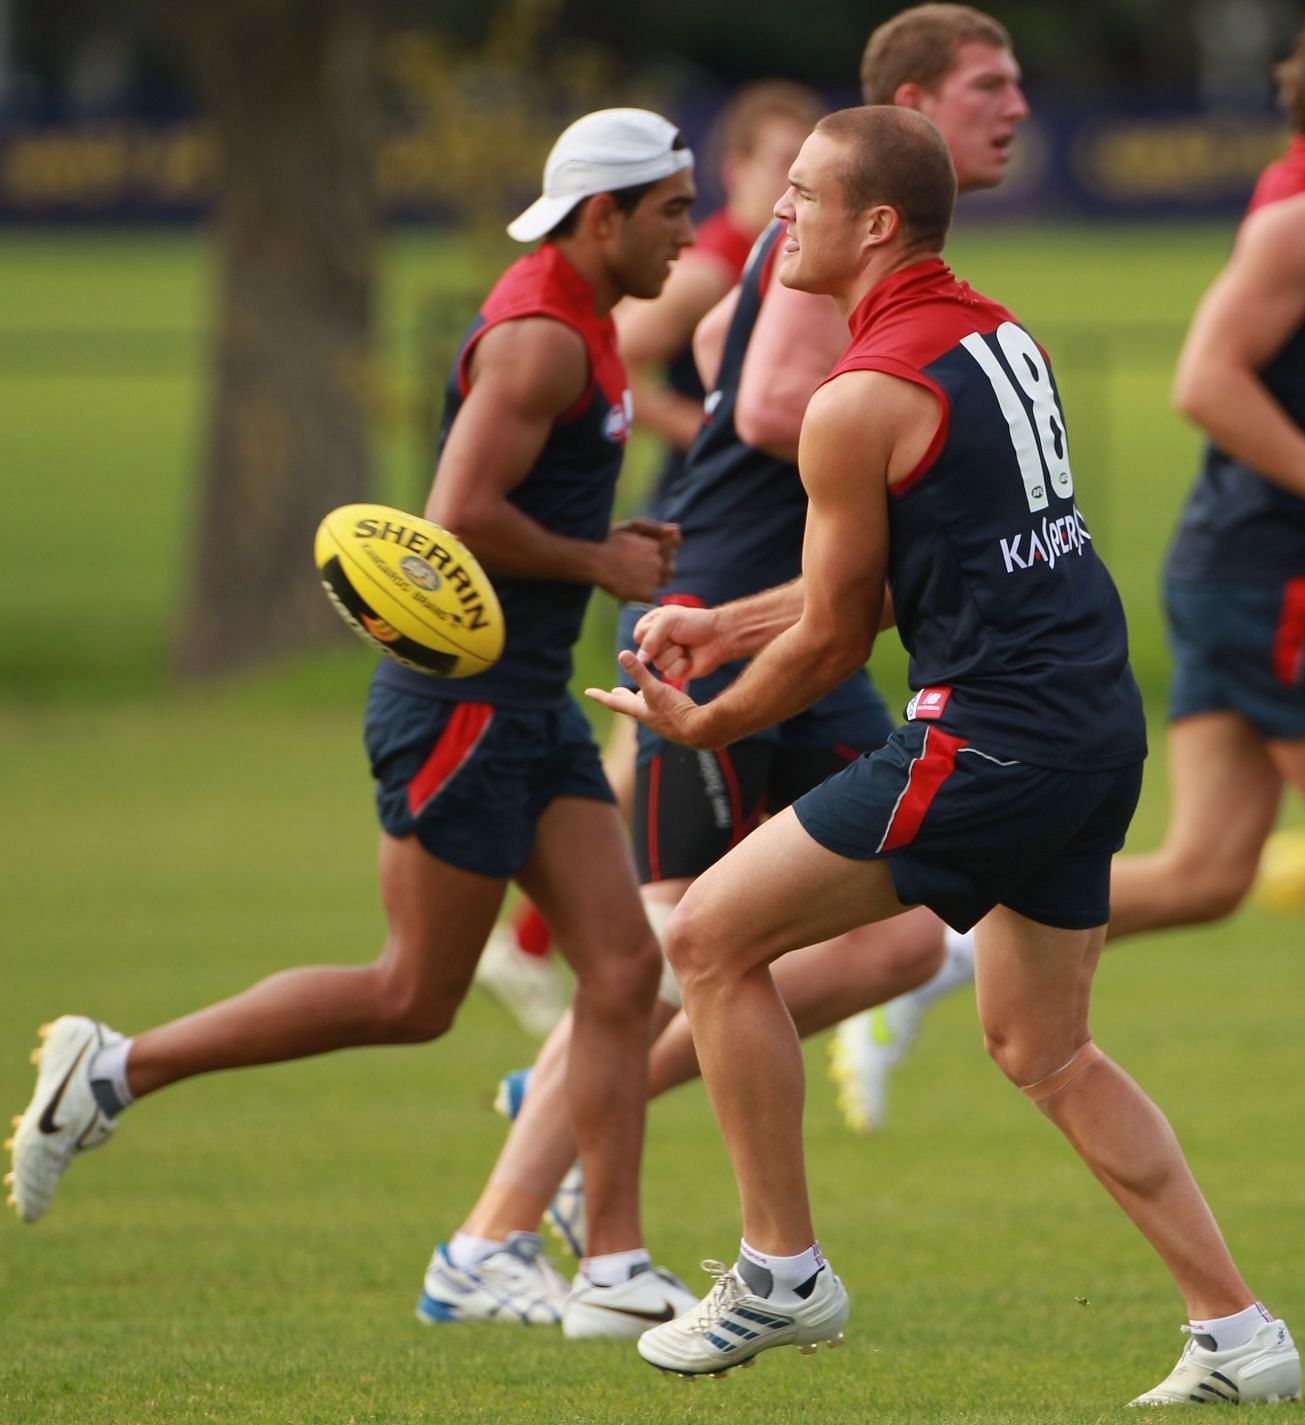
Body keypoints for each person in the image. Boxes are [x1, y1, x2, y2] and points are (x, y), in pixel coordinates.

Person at [596, 105, 1303, 1407]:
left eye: (804, 194)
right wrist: (724, 619)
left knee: (708, 938)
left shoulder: (851, 398)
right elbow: (879, 585)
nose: (781, 215)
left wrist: (710, 718)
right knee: (1046, 1048)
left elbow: (831, 644)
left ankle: (780, 1272)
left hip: (989, 741)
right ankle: (1240, 1334)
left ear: (876, 223)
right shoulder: (993, 335)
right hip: (1091, 738)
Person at [6, 108, 701, 1339]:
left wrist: (600, 558)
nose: (685, 235)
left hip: (526, 702)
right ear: (606, 217)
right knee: (411, 998)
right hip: (462, 709)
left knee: (622, 966)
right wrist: (601, 561)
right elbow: (456, 512)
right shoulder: (540, 337)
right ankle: (113, 1069)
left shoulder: (587, 317)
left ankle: (613, 1269)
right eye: (671, 212)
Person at [860, 3, 1305, 1221]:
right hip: (1275, 574)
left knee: (1215, 868)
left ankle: (939, 961)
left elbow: (1274, 370)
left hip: (1248, 570)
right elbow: (1207, 378)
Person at [433, 3, 1036, 1288]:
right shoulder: (836, 256)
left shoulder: (857, 266)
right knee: (665, 952)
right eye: (991, 86)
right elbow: (759, 391)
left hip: (792, 616)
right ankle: (499, 1226)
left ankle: (584, 1118)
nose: (1017, 108)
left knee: (888, 936)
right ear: (911, 120)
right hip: (734, 621)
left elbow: (718, 342)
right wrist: (884, 447)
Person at [473, 80, 827, 1042]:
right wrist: (716, 424)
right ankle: (557, 941)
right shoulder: (711, 263)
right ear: (738, 169)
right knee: (654, 742)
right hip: (688, 533)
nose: (799, 184)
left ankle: (549, 939)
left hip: (693, 539)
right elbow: (621, 351)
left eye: (813, 163)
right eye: (782, 162)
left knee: (645, 751)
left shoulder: (756, 261)